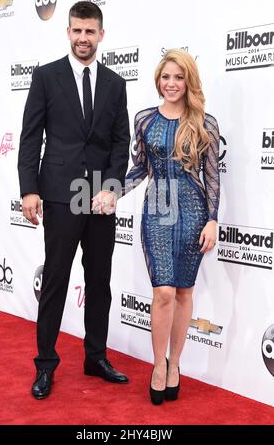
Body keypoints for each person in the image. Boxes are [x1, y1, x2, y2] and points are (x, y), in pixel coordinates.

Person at [18, 1, 130, 399]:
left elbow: (121, 144)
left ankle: (95, 357)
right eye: (77, 31)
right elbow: (31, 136)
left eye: (90, 31)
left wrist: (111, 187)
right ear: (68, 33)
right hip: (60, 195)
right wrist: (29, 188)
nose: (83, 38)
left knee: (99, 280)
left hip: (100, 197)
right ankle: (45, 364)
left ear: (102, 34)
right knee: (55, 281)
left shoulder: (116, 85)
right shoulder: (46, 76)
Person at [123, 49, 220, 405]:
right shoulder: (145, 120)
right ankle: (157, 366)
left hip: (193, 210)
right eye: (166, 77)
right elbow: (140, 168)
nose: (172, 84)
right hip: (158, 208)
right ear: (158, 81)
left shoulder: (205, 123)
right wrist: (110, 192)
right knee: (163, 292)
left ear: (188, 81)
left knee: (183, 292)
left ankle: (175, 363)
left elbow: (212, 178)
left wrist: (212, 219)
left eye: (179, 77)